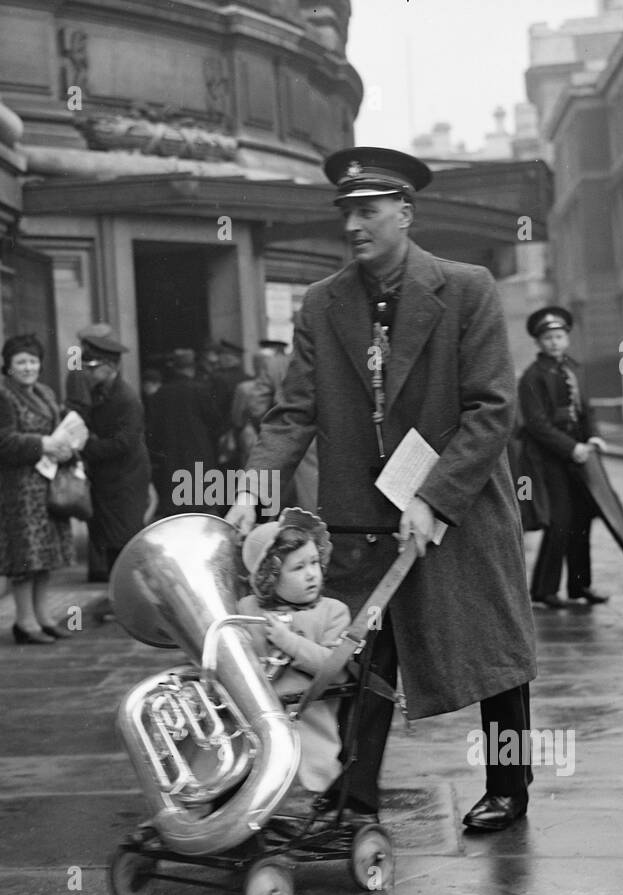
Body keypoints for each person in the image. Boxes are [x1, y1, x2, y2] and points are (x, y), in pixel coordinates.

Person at [225, 146, 537, 833]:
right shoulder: (322, 303)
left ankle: (509, 786)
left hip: (459, 507)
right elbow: (294, 412)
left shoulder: (467, 287)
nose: (353, 226)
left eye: (368, 211)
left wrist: (434, 495)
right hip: (362, 514)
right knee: (360, 654)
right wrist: (252, 486)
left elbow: (492, 409)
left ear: (405, 211)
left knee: (495, 654)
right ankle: (352, 799)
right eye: (346, 212)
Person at [0, 334, 84, 645]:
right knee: (24, 557)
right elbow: (1, 441)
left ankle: (44, 617)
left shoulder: (46, 393)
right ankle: (24, 622)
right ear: (8, 367)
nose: (28, 367)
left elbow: (61, 431)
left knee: (45, 556)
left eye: (32, 361)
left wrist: (67, 449)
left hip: (46, 486)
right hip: (16, 491)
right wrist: (43, 444)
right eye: (20, 362)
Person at [238, 508, 349, 794]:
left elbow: (335, 670)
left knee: (313, 777)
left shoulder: (333, 612)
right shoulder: (248, 610)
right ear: (270, 577)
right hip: (253, 727)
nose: (312, 574)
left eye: (314, 562)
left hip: (309, 726)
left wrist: (291, 642)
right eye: (298, 568)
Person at [516, 306, 609, 608]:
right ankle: (544, 590)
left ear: (567, 338)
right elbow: (537, 424)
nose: (554, 342)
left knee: (582, 519)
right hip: (548, 460)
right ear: (538, 342)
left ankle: (580, 587)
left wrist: (592, 436)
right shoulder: (532, 377)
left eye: (559, 336)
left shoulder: (573, 369)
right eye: (548, 338)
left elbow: (586, 409)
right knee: (559, 521)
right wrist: (571, 448)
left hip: (580, 457)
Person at [78, 325, 152, 620]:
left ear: (110, 367)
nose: (87, 371)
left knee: (123, 541)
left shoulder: (126, 398)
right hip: (109, 479)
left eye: (92, 366)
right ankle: (119, 598)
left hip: (125, 481)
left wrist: (88, 446)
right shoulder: (100, 391)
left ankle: (131, 601)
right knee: (111, 541)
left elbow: (124, 442)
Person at [236, 339, 319, 513]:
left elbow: (256, 405)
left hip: (285, 438)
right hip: (317, 441)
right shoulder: (322, 358)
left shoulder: (273, 365)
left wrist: (270, 428)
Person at [144, 348, 224, 517]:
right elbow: (216, 422)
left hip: (172, 461)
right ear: (192, 367)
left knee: (177, 514)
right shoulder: (201, 390)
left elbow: (152, 433)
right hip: (200, 459)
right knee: (204, 510)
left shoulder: (160, 394)